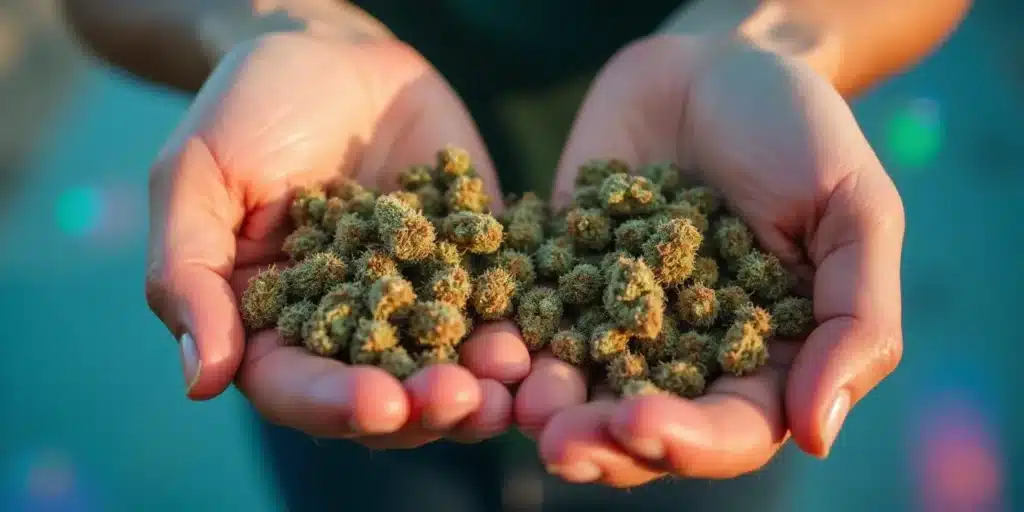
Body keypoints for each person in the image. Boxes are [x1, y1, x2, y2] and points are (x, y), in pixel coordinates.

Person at [61, 0, 971, 509]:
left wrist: (774, 36)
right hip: (355, 342)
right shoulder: (346, 270)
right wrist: (274, 27)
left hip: (700, 296)